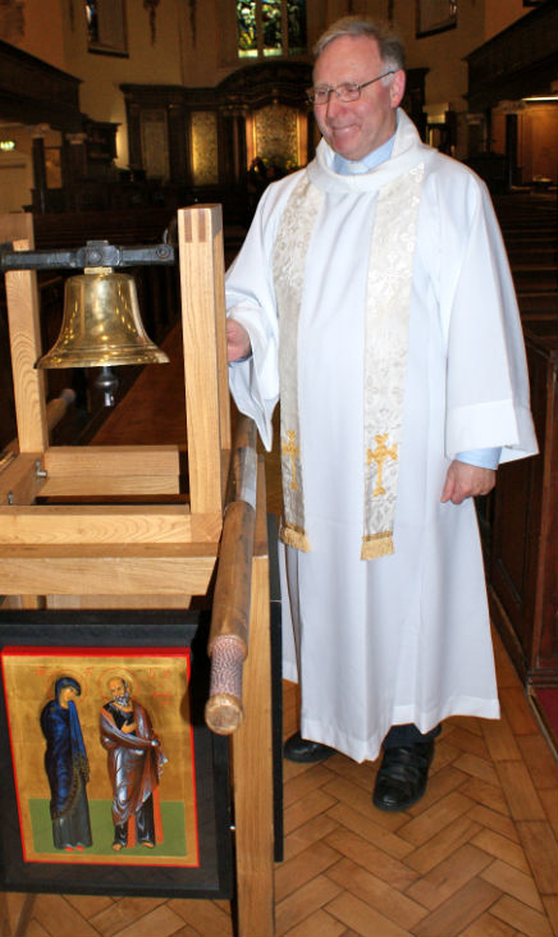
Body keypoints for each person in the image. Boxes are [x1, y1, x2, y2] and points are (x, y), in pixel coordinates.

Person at [225, 16, 537, 812]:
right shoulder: (284, 198)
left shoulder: (450, 192)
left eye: (352, 88)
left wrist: (478, 447)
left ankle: (408, 733)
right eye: (324, 91)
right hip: (314, 452)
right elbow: (254, 298)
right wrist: (237, 333)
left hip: (412, 456)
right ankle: (329, 715)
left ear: (394, 89)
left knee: (408, 588)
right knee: (322, 577)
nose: (335, 107)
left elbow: (481, 321)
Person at [99, 676, 167, 849]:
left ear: (126, 687)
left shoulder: (139, 709)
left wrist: (150, 740)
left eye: (119, 689)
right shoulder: (107, 711)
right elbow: (111, 736)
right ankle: (120, 839)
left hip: (141, 757)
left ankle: (145, 836)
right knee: (122, 797)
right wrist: (127, 734)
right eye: (113, 690)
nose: (117, 693)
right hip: (121, 758)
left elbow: (147, 731)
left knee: (144, 794)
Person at [40, 676, 92, 850]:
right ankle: (64, 840)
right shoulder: (51, 710)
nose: (72, 695)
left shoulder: (71, 709)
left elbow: (74, 734)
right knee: (62, 795)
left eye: (75, 693)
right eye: (70, 691)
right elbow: (51, 732)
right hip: (58, 760)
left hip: (74, 759)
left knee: (78, 797)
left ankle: (80, 839)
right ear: (61, 689)